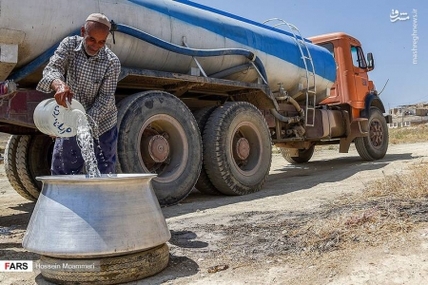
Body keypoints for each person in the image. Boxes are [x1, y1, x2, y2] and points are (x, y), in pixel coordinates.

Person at [37, 13, 121, 175]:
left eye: (102, 42)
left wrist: (84, 123)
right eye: (91, 39)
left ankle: (101, 199)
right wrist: (59, 84)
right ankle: (63, 199)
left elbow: (105, 99)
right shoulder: (69, 46)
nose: (96, 45)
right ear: (83, 32)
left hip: (102, 123)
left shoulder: (112, 62)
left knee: (104, 173)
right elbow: (52, 69)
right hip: (71, 120)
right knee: (64, 171)